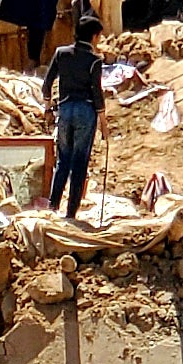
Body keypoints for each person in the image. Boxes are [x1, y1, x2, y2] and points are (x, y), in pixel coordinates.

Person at [44, 14, 106, 220]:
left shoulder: (61, 54)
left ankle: (52, 207)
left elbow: (47, 84)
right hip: (86, 112)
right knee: (80, 162)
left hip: (65, 109)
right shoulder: (94, 61)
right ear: (94, 37)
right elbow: (97, 93)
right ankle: (71, 214)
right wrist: (104, 125)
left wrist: (47, 108)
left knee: (63, 161)